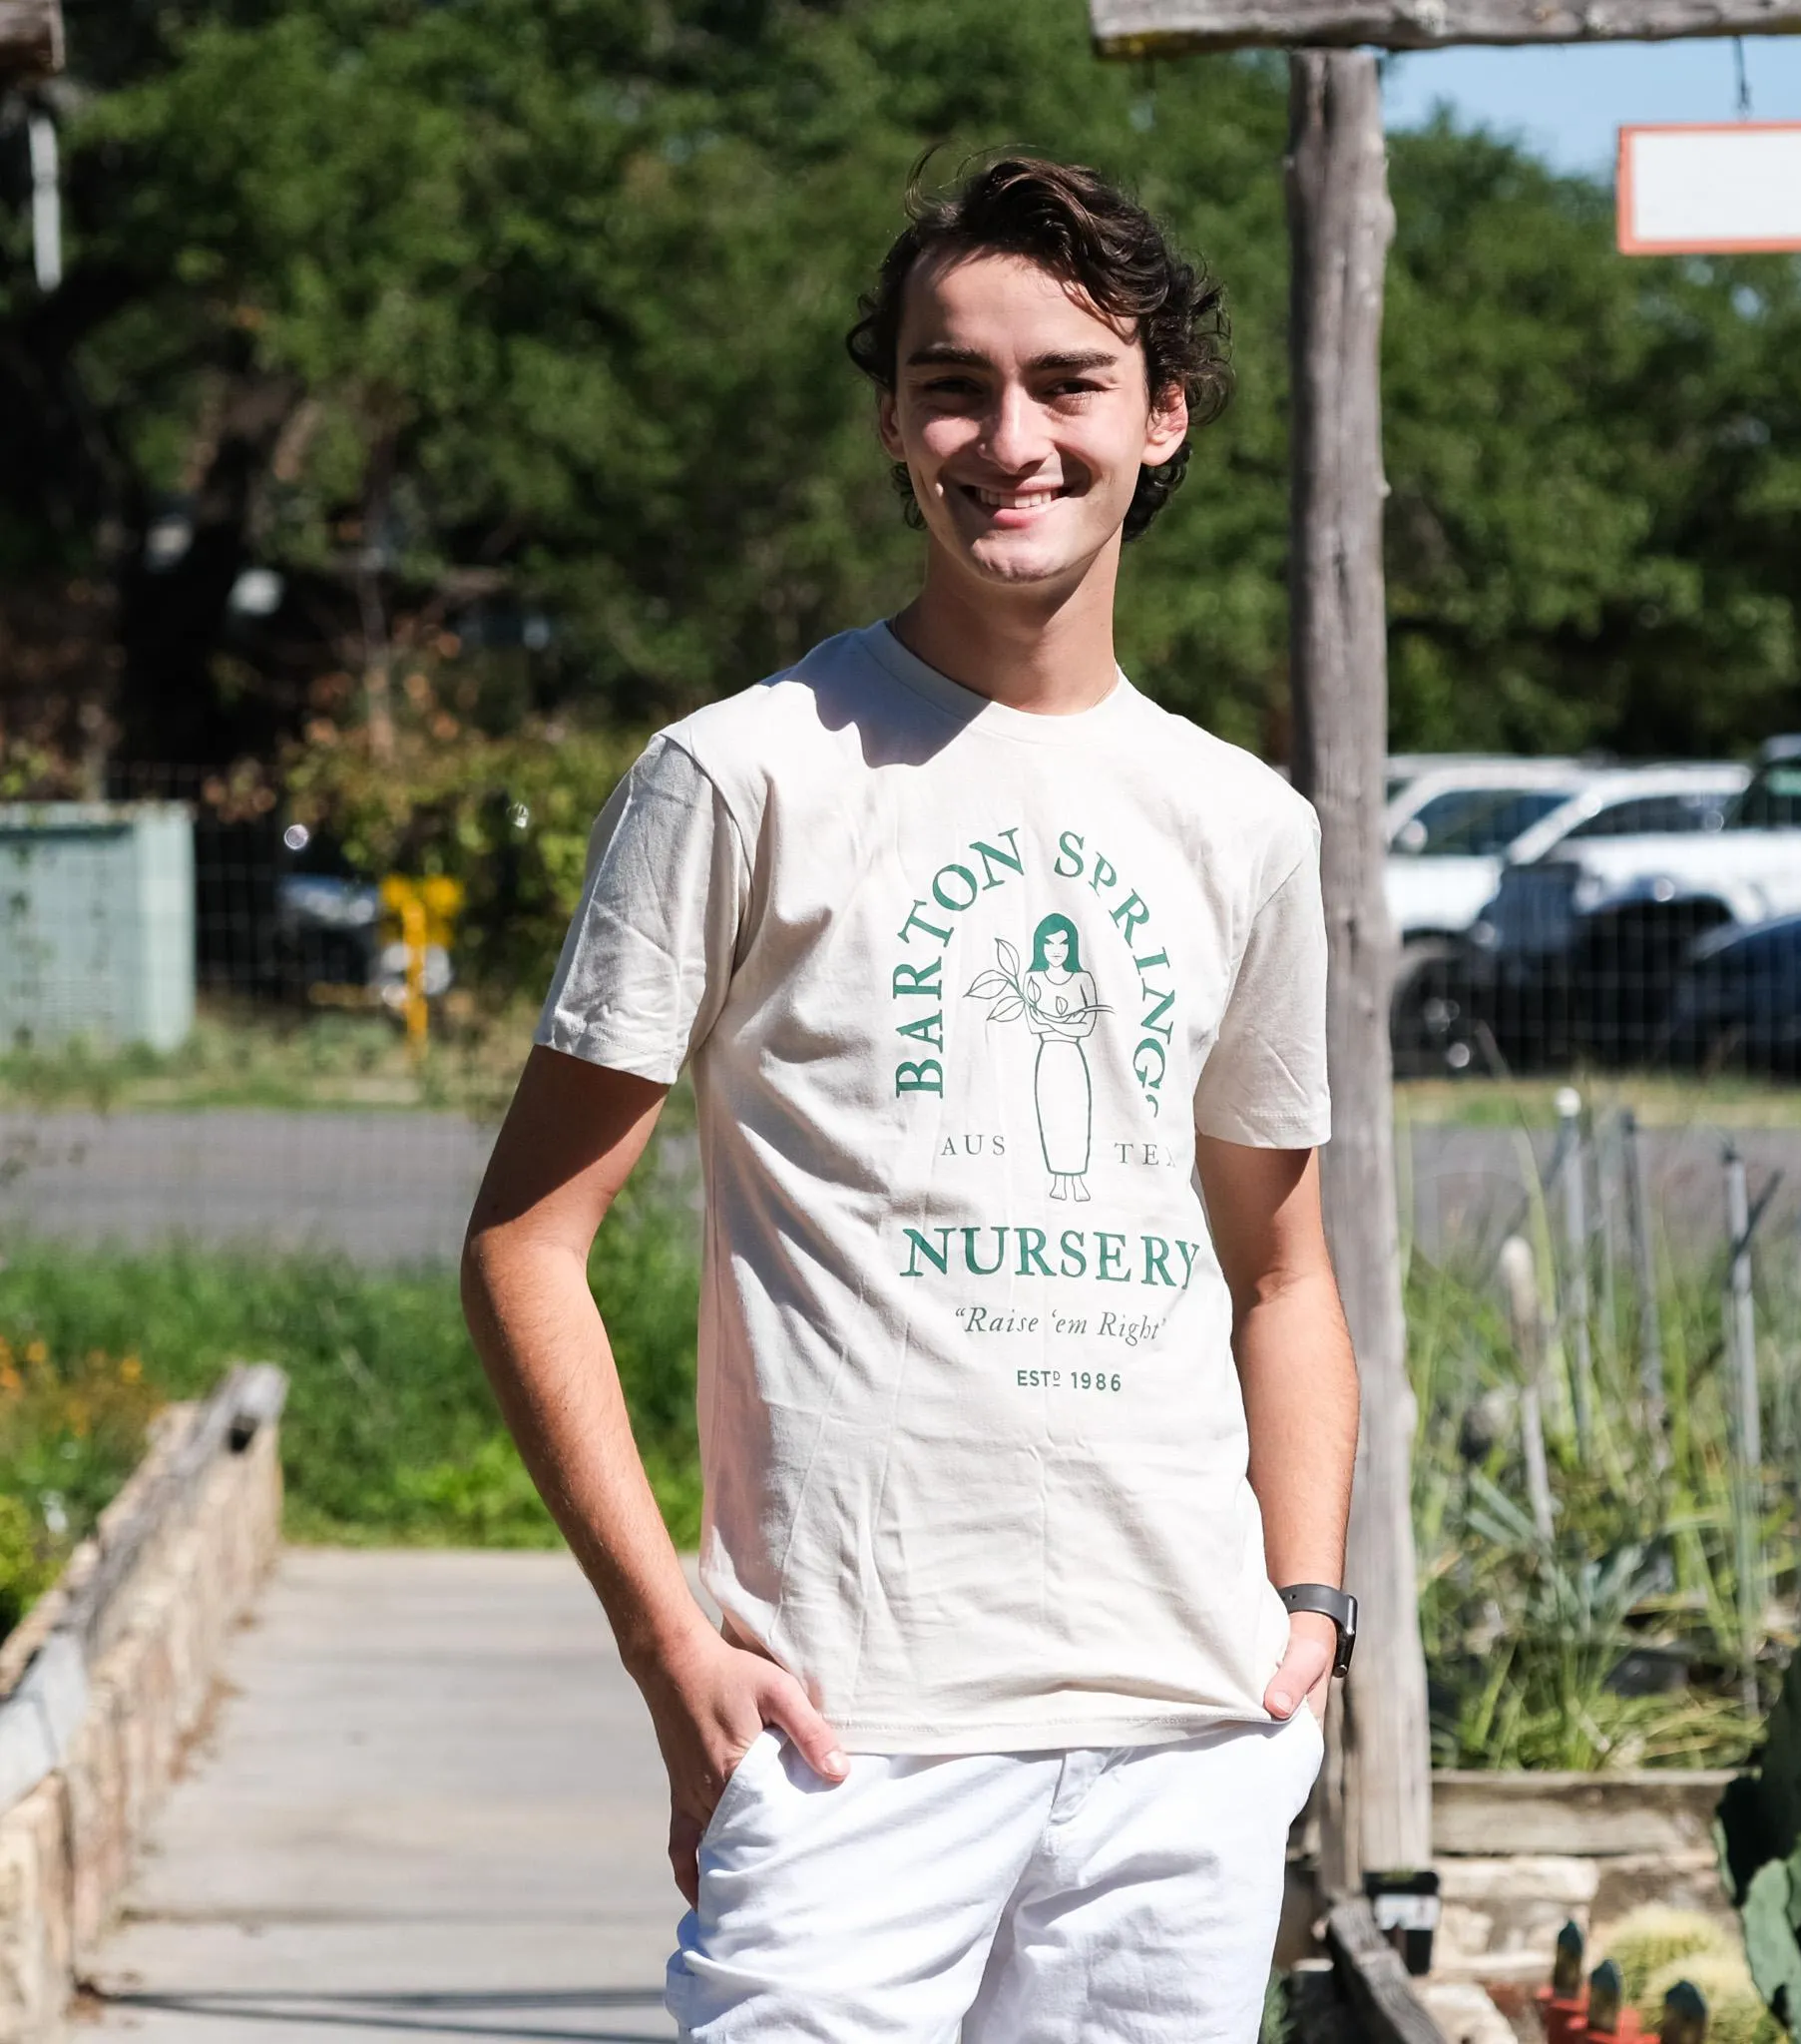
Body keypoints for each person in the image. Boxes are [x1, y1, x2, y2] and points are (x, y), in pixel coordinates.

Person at [462, 155, 1363, 2043]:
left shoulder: (1244, 827)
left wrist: (1310, 1614)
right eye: (955, 383)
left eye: (1068, 384)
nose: (1008, 436)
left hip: (1183, 1739)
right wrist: (664, 1639)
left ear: (1162, 415)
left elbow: (1282, 1276)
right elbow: (527, 1244)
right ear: (894, 420)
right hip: (850, 1730)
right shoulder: (741, 776)